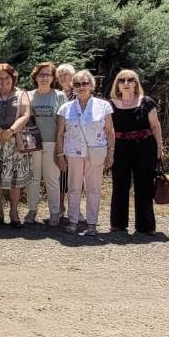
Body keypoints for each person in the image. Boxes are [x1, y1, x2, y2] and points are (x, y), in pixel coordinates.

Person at [55, 70, 115, 236]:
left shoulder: (103, 106)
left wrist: (111, 152)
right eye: (77, 84)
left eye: (85, 83)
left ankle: (92, 224)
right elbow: (60, 134)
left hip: (96, 153)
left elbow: (110, 132)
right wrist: (60, 155)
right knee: (73, 188)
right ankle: (73, 221)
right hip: (73, 153)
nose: (81, 87)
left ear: (91, 86)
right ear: (73, 87)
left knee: (94, 189)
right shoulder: (65, 108)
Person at [109, 69, 163, 234]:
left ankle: (146, 226)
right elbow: (107, 130)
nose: (126, 83)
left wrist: (159, 148)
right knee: (119, 184)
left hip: (145, 147)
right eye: (122, 80)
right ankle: (118, 224)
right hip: (119, 148)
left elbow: (155, 126)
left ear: (135, 83)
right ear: (117, 85)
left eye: (130, 80)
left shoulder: (147, 102)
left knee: (144, 186)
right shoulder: (109, 104)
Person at [0, 64, 32, 227]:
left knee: (15, 180)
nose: (3, 81)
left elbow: (25, 115)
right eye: (0, 78)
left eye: (7, 77)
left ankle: (14, 212)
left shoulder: (22, 94)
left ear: (12, 78)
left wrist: (10, 131)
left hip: (14, 141)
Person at [24, 63, 67, 226]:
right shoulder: (28, 95)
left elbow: (64, 124)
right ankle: (32, 210)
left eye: (48, 75)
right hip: (32, 143)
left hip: (52, 143)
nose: (44, 78)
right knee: (33, 178)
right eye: (41, 74)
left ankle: (55, 212)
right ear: (35, 77)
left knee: (52, 179)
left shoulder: (60, 96)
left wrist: (60, 148)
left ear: (53, 78)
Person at [55, 63, 76, 223]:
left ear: (73, 76)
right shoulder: (56, 95)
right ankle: (60, 206)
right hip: (60, 138)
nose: (63, 78)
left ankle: (74, 209)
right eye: (60, 75)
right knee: (61, 173)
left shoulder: (80, 93)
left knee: (75, 175)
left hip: (76, 140)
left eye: (66, 74)